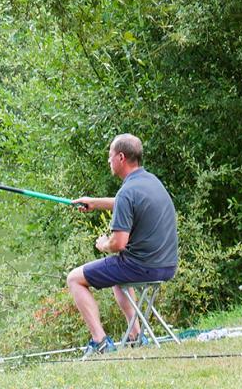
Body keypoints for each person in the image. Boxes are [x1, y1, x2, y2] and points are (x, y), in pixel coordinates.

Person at [67, 133, 178, 358]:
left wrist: (103, 244)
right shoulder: (151, 182)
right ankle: (136, 336)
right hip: (167, 265)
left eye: (109, 156)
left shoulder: (127, 191)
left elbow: (118, 244)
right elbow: (129, 203)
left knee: (74, 279)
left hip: (142, 266)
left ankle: (99, 340)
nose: (108, 161)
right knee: (117, 278)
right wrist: (95, 203)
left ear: (120, 157)